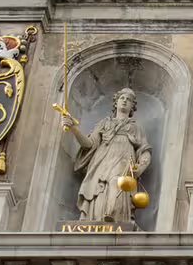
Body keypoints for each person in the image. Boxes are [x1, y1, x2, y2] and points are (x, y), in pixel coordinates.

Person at [63, 87, 151, 226]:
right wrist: (74, 129)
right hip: (101, 161)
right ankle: (96, 221)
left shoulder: (135, 128)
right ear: (116, 102)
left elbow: (145, 150)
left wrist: (141, 167)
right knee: (99, 190)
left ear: (132, 106)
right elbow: (89, 144)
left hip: (123, 162)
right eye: (122, 98)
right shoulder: (104, 123)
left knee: (117, 183)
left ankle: (114, 219)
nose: (124, 101)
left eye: (128, 100)